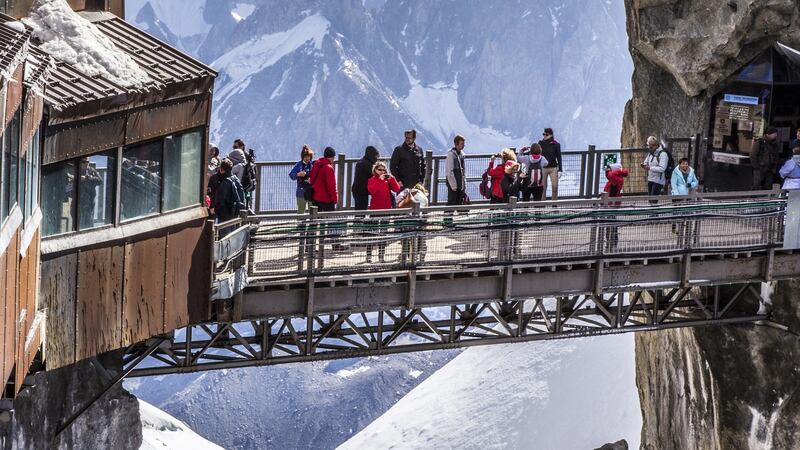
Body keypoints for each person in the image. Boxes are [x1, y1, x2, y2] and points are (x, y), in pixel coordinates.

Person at [366, 161, 401, 263]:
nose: (381, 171)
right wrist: (380, 180)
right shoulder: (371, 180)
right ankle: (369, 255)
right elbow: (372, 190)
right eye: (379, 169)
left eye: (383, 170)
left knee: (384, 234)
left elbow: (397, 188)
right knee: (372, 233)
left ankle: (381, 256)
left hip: (386, 209)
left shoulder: (387, 180)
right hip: (375, 210)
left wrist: (392, 178)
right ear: (375, 170)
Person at [603, 162, 628, 251]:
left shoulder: (616, 179)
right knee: (611, 223)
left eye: (610, 169)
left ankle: (611, 242)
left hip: (612, 205)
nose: (608, 171)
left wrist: (616, 171)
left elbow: (610, 175)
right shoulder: (616, 178)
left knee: (610, 224)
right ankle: (611, 242)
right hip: (612, 203)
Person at [309, 146, 338, 211]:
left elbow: (311, 179)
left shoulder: (316, 164)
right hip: (326, 200)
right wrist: (335, 199)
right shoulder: (329, 168)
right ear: (332, 157)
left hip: (315, 197)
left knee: (316, 219)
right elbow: (331, 186)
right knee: (328, 220)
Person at [211, 158, 240, 223]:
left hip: (223, 213)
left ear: (221, 169)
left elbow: (219, 199)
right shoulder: (235, 179)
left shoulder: (222, 182)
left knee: (223, 231)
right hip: (234, 212)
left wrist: (213, 208)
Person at [352, 146, 380, 210]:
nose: (377, 158)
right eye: (376, 156)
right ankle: (360, 220)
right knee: (362, 210)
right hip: (362, 191)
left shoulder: (360, 163)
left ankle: (357, 219)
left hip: (356, 190)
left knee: (358, 209)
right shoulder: (369, 165)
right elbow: (375, 177)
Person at [288, 145, 314, 213]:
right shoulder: (298, 165)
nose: (307, 158)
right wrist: (298, 174)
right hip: (301, 192)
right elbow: (291, 175)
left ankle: (313, 223)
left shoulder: (313, 165)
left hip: (311, 191)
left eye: (308, 156)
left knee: (313, 211)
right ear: (303, 157)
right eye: (305, 157)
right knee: (301, 211)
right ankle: (300, 224)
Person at [538, 127, 563, 200]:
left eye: (546, 134)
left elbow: (559, 157)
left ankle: (554, 205)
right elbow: (537, 154)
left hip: (553, 168)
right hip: (543, 168)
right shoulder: (540, 143)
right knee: (543, 188)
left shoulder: (556, 145)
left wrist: (560, 170)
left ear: (551, 135)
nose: (544, 136)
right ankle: (542, 205)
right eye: (543, 134)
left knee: (555, 187)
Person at [78, 157, 102, 229]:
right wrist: (79, 178)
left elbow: (100, 181)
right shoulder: (77, 170)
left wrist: (92, 178)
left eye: (87, 162)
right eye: (83, 162)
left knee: (89, 220)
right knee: (79, 220)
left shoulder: (92, 171)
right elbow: (70, 180)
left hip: (90, 199)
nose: (86, 164)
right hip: (79, 200)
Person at [445, 135, 467, 205]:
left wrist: (463, 183)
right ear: (456, 144)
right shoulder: (451, 155)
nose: (463, 145)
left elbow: (463, 172)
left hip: (460, 185)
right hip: (454, 185)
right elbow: (449, 171)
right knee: (451, 203)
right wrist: (453, 185)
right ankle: (448, 216)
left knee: (459, 204)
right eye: (461, 144)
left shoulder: (461, 155)